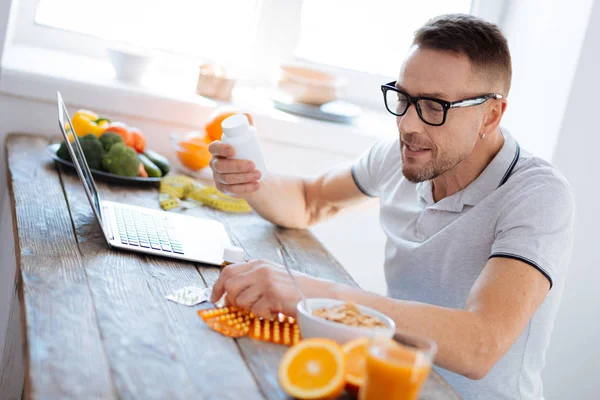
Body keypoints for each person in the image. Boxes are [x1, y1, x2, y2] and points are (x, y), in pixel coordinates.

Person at [208, 13, 574, 400]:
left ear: (491, 115)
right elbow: (309, 201)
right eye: (404, 98)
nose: (409, 125)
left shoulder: (538, 196)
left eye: (434, 106)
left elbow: (480, 344)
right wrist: (251, 179)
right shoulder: (404, 155)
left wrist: (312, 293)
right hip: (385, 384)